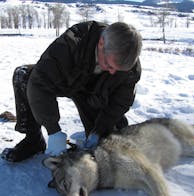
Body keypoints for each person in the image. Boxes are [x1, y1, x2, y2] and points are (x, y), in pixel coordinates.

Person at [1, 21, 142, 162]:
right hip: (66, 82)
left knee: (107, 148)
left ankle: (100, 132)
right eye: (109, 65)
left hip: (94, 95)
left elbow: (119, 103)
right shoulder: (72, 43)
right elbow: (40, 81)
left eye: (118, 70)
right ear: (101, 43)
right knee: (24, 76)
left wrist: (99, 130)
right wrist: (53, 130)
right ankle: (33, 140)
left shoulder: (129, 68)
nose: (113, 72)